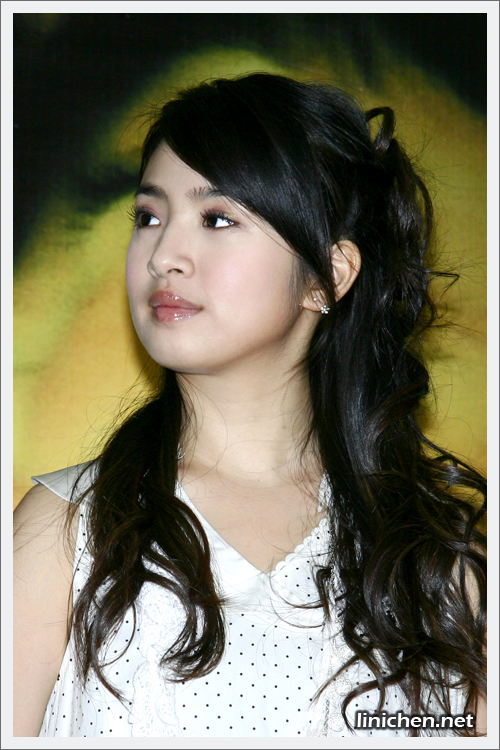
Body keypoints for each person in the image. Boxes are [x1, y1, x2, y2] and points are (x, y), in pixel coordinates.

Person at [13, 73, 486, 738]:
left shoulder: (438, 563)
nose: (164, 256)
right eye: (149, 217)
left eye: (217, 219)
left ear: (329, 276)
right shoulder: (68, 530)